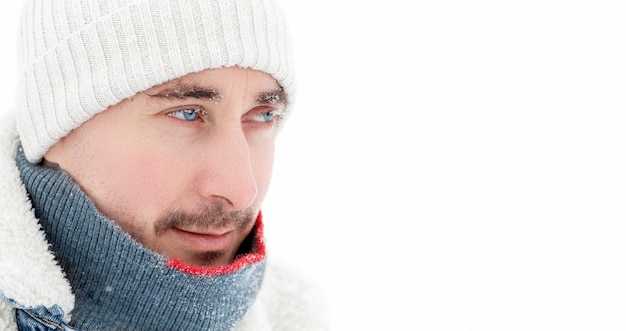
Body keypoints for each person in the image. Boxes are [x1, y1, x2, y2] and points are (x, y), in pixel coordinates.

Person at [0, 0, 326, 330]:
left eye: (263, 116)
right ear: (58, 127)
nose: (242, 191)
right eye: (186, 113)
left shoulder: (297, 319)